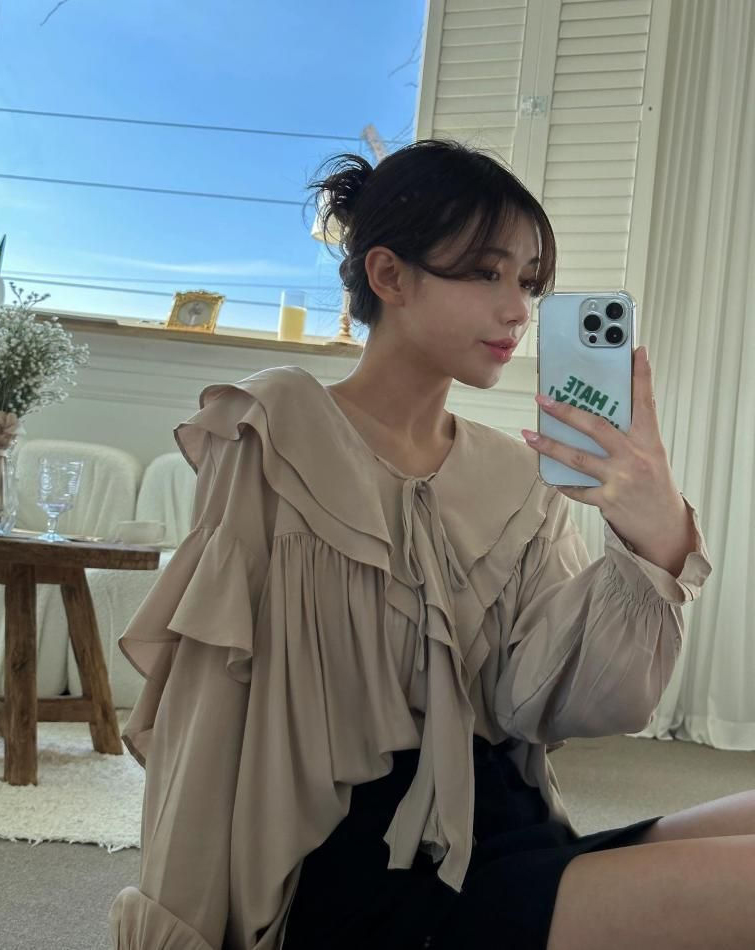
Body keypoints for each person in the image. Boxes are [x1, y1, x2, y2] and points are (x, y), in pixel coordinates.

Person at [109, 140, 748, 950]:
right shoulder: (278, 431)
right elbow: (210, 708)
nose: (518, 310)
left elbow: (556, 704)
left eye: (529, 283)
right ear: (389, 275)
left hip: (512, 841)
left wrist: (652, 539)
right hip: (369, 878)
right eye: (486, 273)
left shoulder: (516, 479)